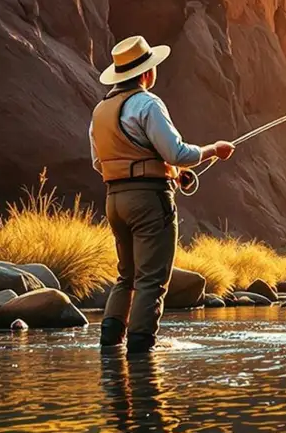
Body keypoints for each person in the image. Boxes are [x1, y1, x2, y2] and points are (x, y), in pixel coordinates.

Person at [89, 36, 234, 353]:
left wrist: (167, 171)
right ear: (145, 74)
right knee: (151, 280)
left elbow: (100, 162)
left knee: (126, 276)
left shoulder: (100, 110)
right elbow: (177, 151)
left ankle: (109, 345)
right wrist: (213, 150)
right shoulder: (148, 103)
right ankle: (141, 351)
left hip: (115, 201)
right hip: (149, 202)